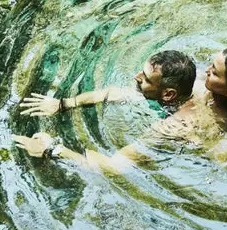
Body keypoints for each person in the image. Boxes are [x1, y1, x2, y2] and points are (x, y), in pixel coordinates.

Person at [13, 50, 213, 173]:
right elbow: (110, 94)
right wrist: (63, 104)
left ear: (168, 95)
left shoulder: (172, 127)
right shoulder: (200, 82)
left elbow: (113, 168)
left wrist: (52, 149)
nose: (136, 77)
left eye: (145, 78)